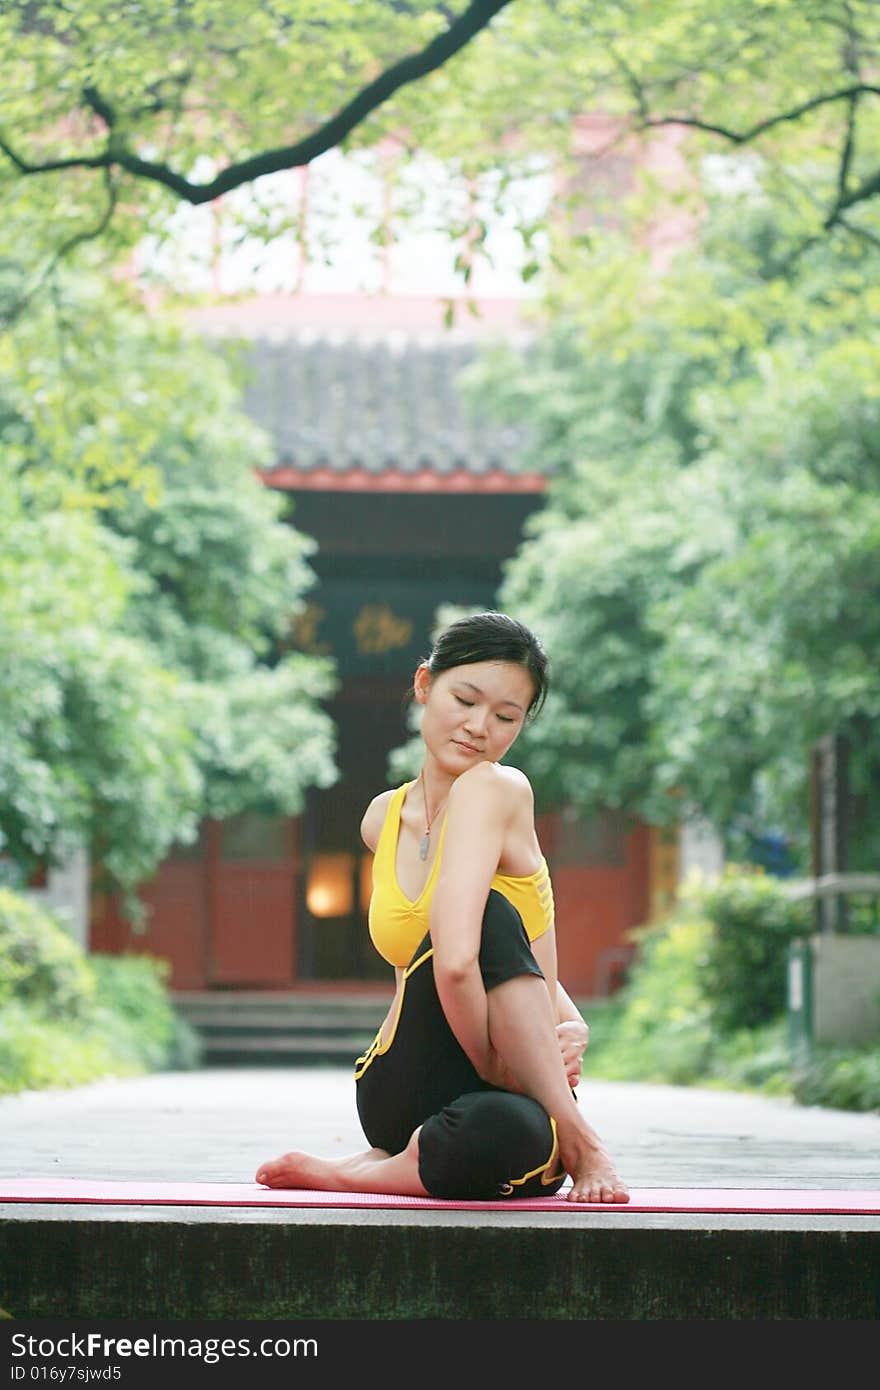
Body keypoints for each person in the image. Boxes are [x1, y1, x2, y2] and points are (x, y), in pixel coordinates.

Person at [256, 611, 629, 1204]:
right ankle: (580, 1140)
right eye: (465, 699)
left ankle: (358, 1171)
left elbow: (505, 956)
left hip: (413, 1097)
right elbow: (451, 963)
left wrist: (567, 1019)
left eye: (506, 717)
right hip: (423, 1073)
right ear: (425, 684)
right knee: (482, 921)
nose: (480, 727)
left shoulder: (496, 788)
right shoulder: (382, 818)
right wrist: (497, 1065)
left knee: (503, 1129)